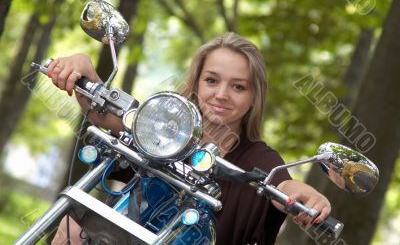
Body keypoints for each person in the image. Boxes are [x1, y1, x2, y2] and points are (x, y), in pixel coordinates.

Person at [49, 32, 330, 244]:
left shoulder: (259, 159)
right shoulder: (164, 124)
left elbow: (284, 186)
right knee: (71, 224)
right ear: (196, 82)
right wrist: (82, 69)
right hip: (127, 235)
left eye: (238, 86)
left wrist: (308, 196)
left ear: (254, 96)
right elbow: (109, 116)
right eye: (211, 80)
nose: (221, 94)